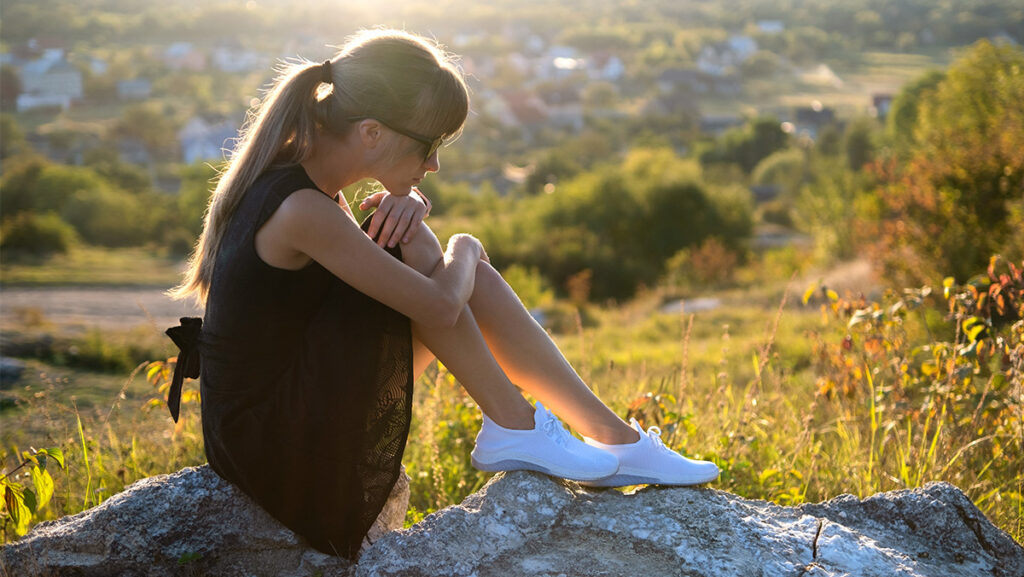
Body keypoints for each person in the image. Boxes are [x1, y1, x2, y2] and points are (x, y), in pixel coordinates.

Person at [166, 28, 718, 560]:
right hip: (274, 444)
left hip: (283, 409)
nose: (433, 164)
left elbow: (399, 287)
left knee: (418, 249)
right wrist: (466, 245)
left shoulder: (307, 188)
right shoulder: (302, 209)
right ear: (372, 133)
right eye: (428, 146)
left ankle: (599, 436)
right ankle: (523, 427)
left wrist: (417, 218)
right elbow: (436, 306)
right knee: (440, 265)